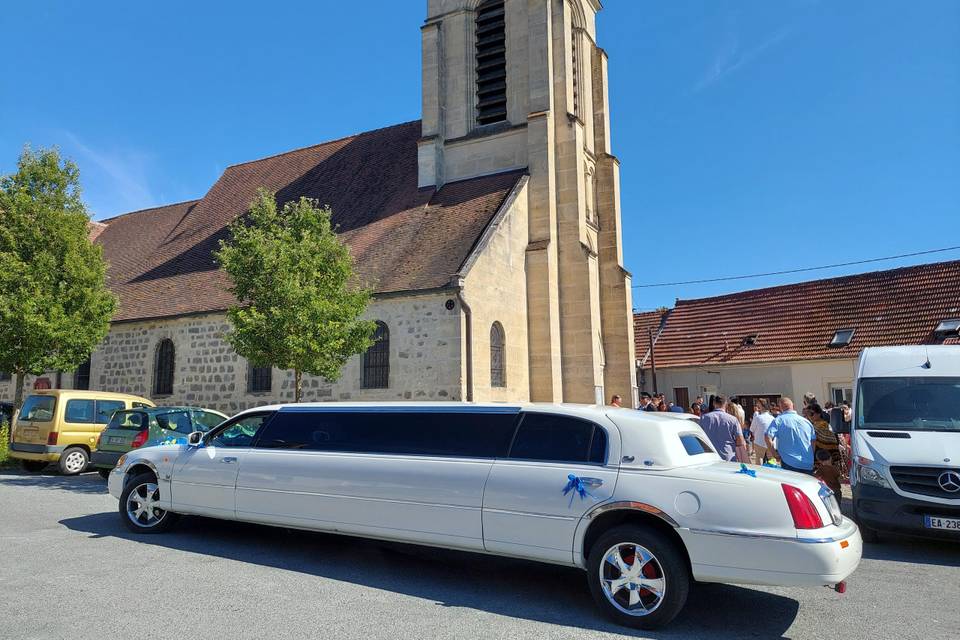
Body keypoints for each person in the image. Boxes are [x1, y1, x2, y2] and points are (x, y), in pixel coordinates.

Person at [765, 397, 816, 475]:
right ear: (793, 406)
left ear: (781, 408)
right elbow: (813, 441)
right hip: (807, 462)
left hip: (789, 462)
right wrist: (810, 455)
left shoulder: (778, 420)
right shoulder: (806, 422)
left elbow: (767, 436)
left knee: (792, 486)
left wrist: (774, 453)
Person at [699, 395, 748, 462]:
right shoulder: (733, 419)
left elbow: (699, 437)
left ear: (714, 404)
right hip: (728, 456)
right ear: (726, 404)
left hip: (710, 456)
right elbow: (740, 441)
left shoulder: (704, 418)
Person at [749, 398, 775, 465]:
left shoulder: (758, 418)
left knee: (759, 459)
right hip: (770, 442)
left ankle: (760, 473)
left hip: (759, 442)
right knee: (771, 459)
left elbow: (752, 429)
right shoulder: (773, 418)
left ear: (761, 407)